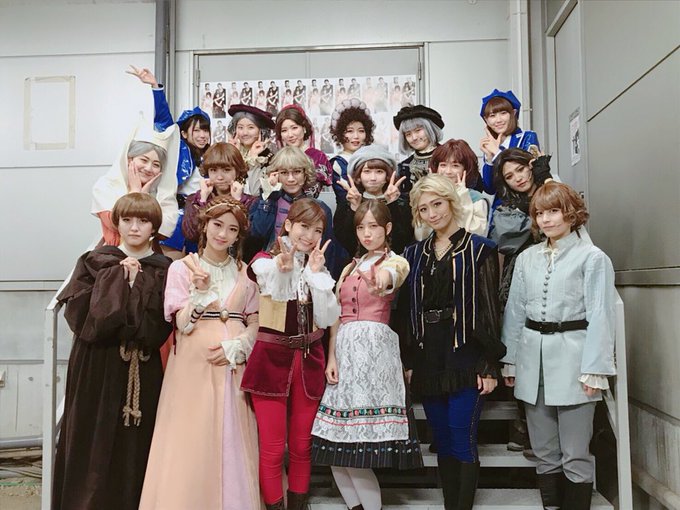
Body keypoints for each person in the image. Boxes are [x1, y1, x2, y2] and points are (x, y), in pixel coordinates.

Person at [140, 197, 262, 510]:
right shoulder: (182, 268)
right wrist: (200, 294)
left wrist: (240, 345)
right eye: (218, 225)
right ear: (205, 226)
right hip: (194, 363)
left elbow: (256, 318)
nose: (223, 234)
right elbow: (181, 323)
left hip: (234, 365)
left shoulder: (245, 272)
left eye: (232, 229)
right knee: (191, 435)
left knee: (233, 436)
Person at [52, 193, 172, 510]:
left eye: (143, 220)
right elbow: (84, 320)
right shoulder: (94, 262)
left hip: (141, 365)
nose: (134, 227)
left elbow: (156, 328)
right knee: (92, 441)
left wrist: (134, 286)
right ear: (116, 223)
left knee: (134, 446)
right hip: (96, 365)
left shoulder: (164, 269)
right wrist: (120, 282)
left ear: (154, 227)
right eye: (127, 219)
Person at [501, 181, 616, 510]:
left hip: (574, 360)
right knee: (544, 452)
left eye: (553, 211)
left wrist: (595, 368)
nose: (546, 219)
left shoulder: (592, 258)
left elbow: (601, 314)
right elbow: (515, 312)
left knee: (575, 453)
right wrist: (510, 359)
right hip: (532, 360)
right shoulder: (527, 258)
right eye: (540, 213)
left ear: (571, 213)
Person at [402, 174, 506, 510]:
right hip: (428, 355)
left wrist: (488, 365)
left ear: (451, 202)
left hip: (465, 353)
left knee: (462, 436)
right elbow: (407, 310)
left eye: (437, 204)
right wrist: (409, 362)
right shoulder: (413, 253)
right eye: (424, 208)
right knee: (442, 439)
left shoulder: (480, 250)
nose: (432, 213)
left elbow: (490, 310)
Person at [311, 200, 423, 510]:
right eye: (361, 227)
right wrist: (331, 357)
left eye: (373, 226)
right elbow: (335, 315)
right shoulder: (349, 266)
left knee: (357, 451)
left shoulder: (395, 261)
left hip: (373, 352)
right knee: (335, 449)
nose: (367, 233)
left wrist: (381, 283)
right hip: (345, 350)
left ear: (388, 228)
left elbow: (391, 276)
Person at [241, 198, 342, 510]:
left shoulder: (317, 269)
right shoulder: (264, 261)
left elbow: (326, 318)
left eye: (317, 230)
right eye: (304, 226)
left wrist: (317, 275)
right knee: (272, 449)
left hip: (309, 362)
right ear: (288, 225)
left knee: (301, 446)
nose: (310, 236)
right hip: (270, 362)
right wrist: (282, 268)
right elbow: (263, 277)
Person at [128, 65, 211, 254]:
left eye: (205, 130)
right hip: (177, 213)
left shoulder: (210, 156)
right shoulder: (178, 148)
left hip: (201, 214)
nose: (202, 135)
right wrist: (156, 88)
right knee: (171, 261)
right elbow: (165, 121)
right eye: (197, 130)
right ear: (184, 133)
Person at [248, 146, 347, 277]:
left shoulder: (320, 208)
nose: (291, 179)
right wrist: (268, 197)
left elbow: (327, 252)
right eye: (284, 173)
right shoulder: (268, 201)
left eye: (297, 172)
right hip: (272, 269)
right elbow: (258, 233)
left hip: (307, 272)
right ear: (275, 175)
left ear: (305, 174)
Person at [92, 119, 180, 248]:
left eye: (156, 165)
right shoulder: (106, 186)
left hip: (149, 256)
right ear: (129, 159)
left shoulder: (163, 195)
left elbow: (165, 232)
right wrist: (135, 194)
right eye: (144, 160)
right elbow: (115, 223)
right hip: (111, 254)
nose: (149, 168)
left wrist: (146, 198)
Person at [333, 145, 413, 256]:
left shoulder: (401, 202)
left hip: (394, 261)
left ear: (387, 176)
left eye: (379, 172)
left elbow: (404, 239)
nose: (373, 178)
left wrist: (392, 205)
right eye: (367, 171)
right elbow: (345, 241)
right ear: (358, 176)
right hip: (359, 261)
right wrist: (354, 208)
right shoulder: (348, 202)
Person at [182, 142, 254, 245]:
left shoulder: (251, 202)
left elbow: (249, 238)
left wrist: (238, 203)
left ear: (237, 171)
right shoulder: (194, 200)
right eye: (213, 170)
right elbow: (191, 234)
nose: (219, 177)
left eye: (226, 170)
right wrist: (202, 201)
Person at [478, 89, 540, 197]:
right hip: (503, 205)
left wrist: (497, 153)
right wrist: (489, 159)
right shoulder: (490, 146)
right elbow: (490, 189)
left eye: (503, 113)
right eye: (492, 116)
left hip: (530, 200)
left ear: (514, 113)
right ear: (486, 120)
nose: (498, 120)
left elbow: (536, 173)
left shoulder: (528, 136)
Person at [429, 139, 489, 237]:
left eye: (455, 166)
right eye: (443, 165)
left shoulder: (477, 199)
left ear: (466, 169)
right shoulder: (428, 195)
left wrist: (462, 197)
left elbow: (477, 235)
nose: (448, 171)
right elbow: (421, 235)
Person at [275, 104, 332, 198]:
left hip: (308, 206)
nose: (290, 135)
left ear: (304, 129)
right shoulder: (278, 158)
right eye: (284, 130)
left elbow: (313, 192)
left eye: (294, 128)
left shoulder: (318, 157)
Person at [329, 99, 375, 208]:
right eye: (350, 131)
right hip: (348, 214)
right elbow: (344, 198)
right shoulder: (337, 163)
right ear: (340, 134)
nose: (356, 136)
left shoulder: (372, 158)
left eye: (361, 131)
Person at [393, 104, 445, 198]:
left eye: (418, 130)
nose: (414, 138)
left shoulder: (451, 156)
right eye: (408, 134)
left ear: (430, 128)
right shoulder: (404, 166)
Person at [227, 103, 277, 196]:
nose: (245, 133)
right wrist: (233, 154)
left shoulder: (268, 158)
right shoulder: (228, 152)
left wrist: (253, 159)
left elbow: (255, 192)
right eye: (240, 127)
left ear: (261, 131)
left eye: (251, 127)